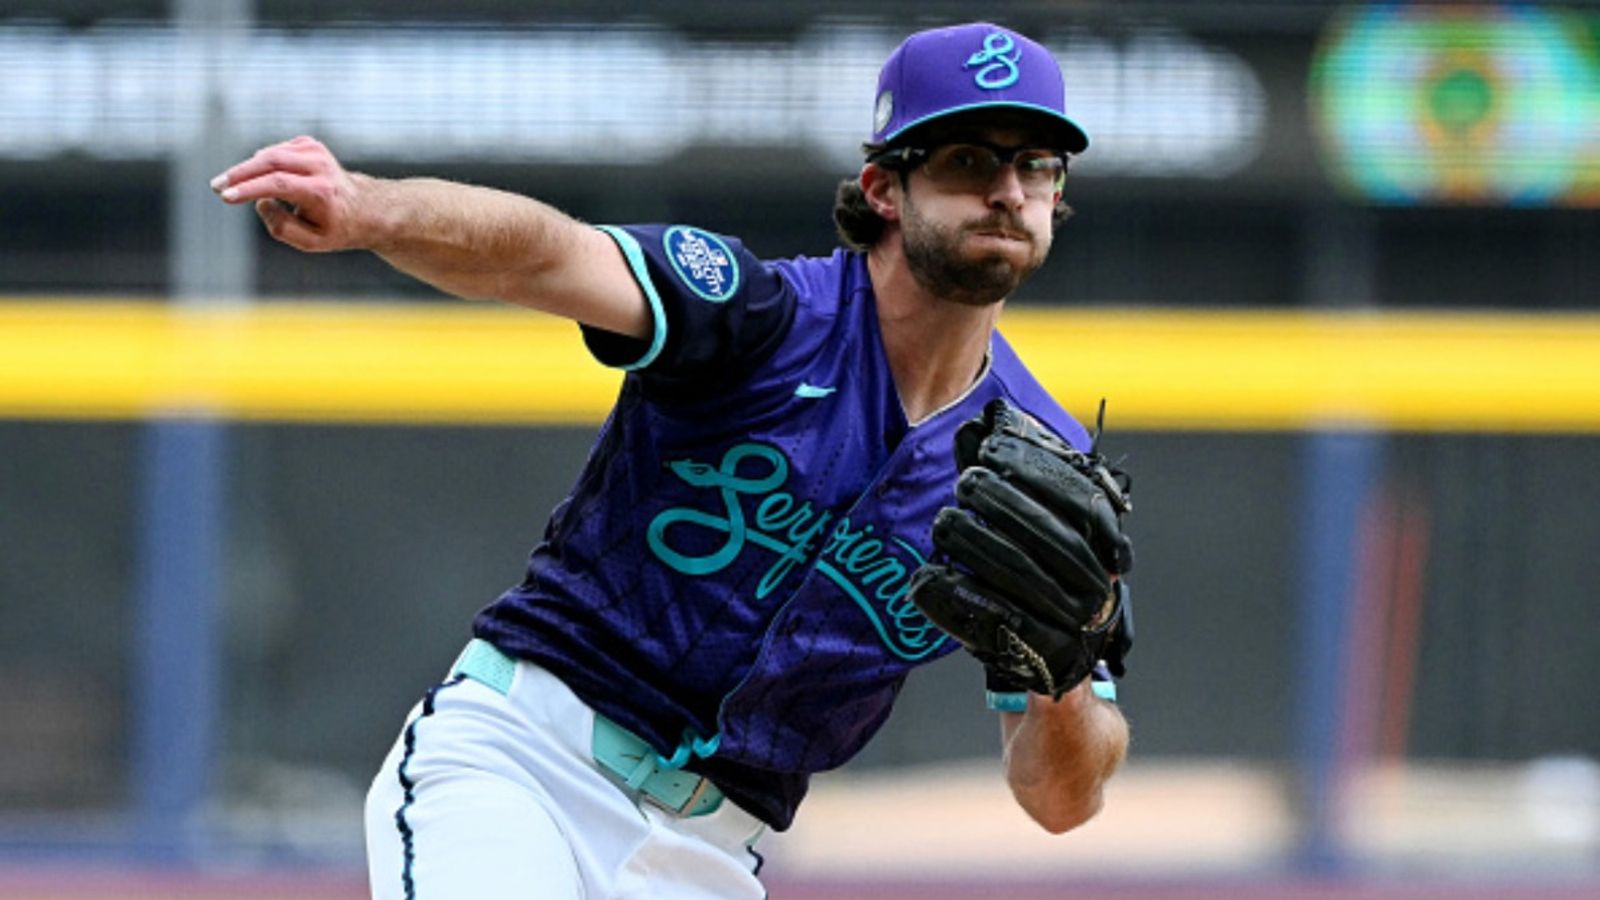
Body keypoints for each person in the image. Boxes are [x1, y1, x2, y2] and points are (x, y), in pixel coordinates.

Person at [213, 21, 1130, 900]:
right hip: (526, 765)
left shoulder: (1039, 462)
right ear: (885, 188)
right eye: (969, 161)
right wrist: (373, 208)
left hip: (711, 854)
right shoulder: (761, 316)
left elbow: (1060, 799)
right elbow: (546, 255)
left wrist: (1062, 666)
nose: (1008, 190)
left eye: (1036, 164)